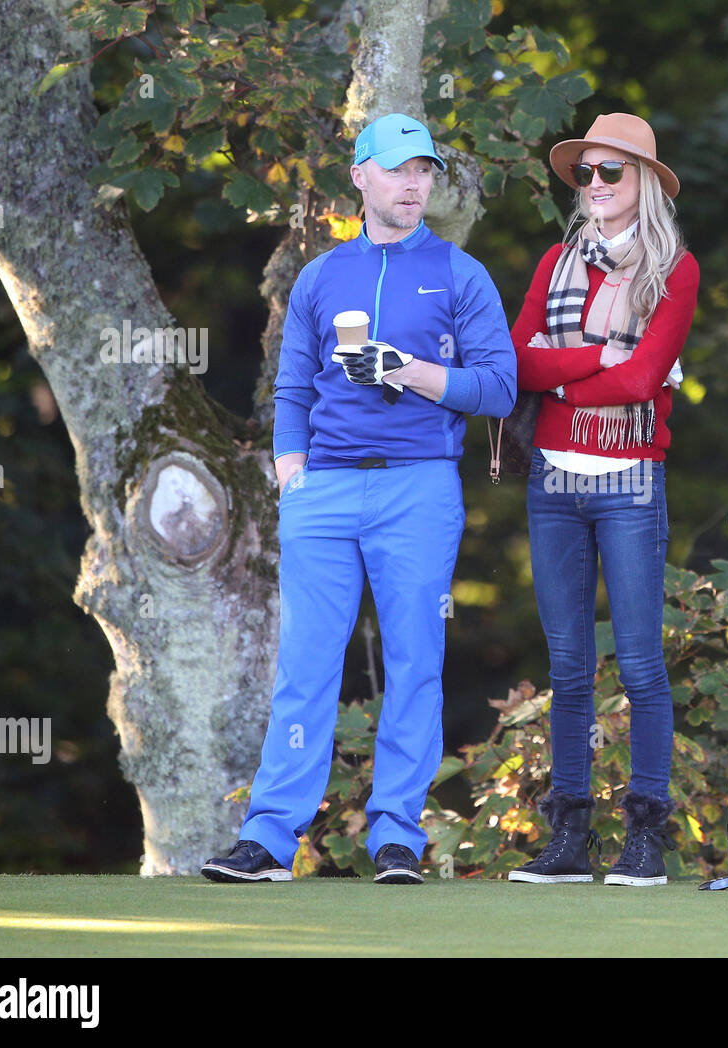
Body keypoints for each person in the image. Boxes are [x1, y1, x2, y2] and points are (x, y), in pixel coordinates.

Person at [202, 113, 516, 885]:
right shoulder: (320, 276)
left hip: (419, 486)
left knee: (416, 660)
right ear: (362, 177)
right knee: (305, 665)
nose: (414, 184)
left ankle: (397, 838)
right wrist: (288, 468)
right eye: (399, 169)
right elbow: (291, 387)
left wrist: (410, 370)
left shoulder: (458, 273)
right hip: (325, 490)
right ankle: (270, 839)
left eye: (425, 172)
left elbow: (502, 387)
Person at [506, 113, 699, 886]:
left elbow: (642, 379)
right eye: (584, 173)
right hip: (552, 482)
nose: (593, 186)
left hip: (628, 482)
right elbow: (517, 362)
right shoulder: (555, 259)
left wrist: (564, 366)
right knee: (568, 667)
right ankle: (568, 837)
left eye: (609, 172)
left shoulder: (674, 270)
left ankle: (645, 836)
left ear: (644, 181)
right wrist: (596, 355)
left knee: (643, 668)